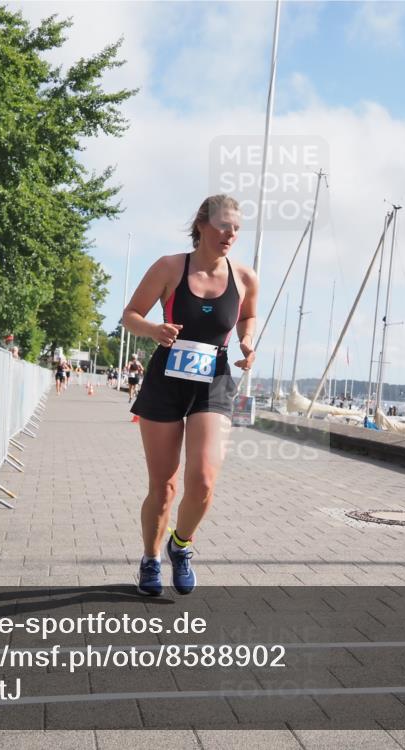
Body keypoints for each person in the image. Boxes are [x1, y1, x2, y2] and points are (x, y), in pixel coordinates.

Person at [123, 194, 258, 596]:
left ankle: (180, 545)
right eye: (223, 225)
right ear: (201, 225)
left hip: (213, 380)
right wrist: (154, 331)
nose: (230, 234)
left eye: (236, 227)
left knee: (202, 481)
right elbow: (130, 314)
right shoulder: (169, 267)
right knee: (163, 486)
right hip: (166, 378)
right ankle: (150, 559)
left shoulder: (245, 277)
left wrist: (248, 342)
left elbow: (248, 315)